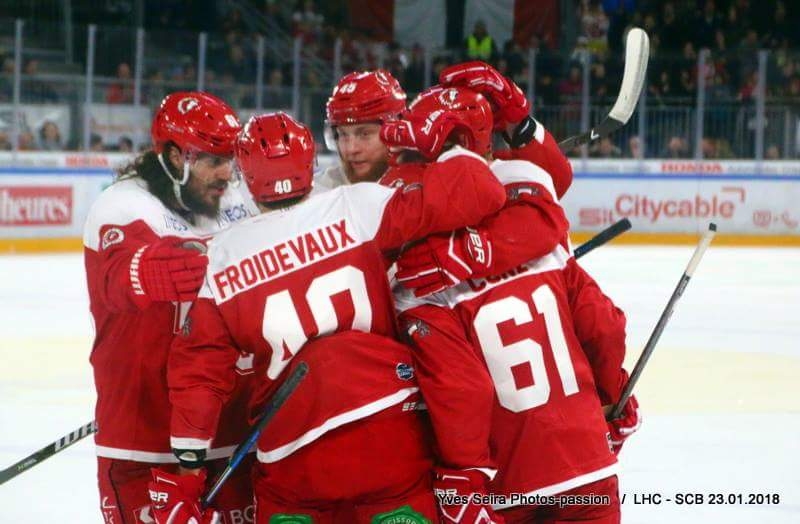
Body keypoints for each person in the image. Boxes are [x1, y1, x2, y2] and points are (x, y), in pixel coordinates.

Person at [156, 110, 509, 523]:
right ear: (309, 163)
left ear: (246, 175)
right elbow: (481, 191)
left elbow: (197, 376)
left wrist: (189, 469)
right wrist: (449, 147)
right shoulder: (358, 206)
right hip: (389, 433)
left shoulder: (223, 255)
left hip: (294, 455)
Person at [383, 89, 641, 524]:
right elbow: (605, 328)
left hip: (507, 483)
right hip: (587, 466)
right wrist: (614, 399)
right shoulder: (544, 244)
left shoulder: (419, 277)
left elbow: (459, 388)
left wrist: (462, 474)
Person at [83, 91, 258, 524]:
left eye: (229, 158)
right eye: (212, 160)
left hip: (235, 433)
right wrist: (146, 271)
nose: (226, 172)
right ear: (176, 156)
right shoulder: (124, 204)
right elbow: (115, 278)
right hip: (147, 441)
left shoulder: (234, 198)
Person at [317, 69, 407, 193]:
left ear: (397, 132)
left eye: (364, 134)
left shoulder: (424, 190)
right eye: (343, 134)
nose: (351, 149)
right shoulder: (320, 192)